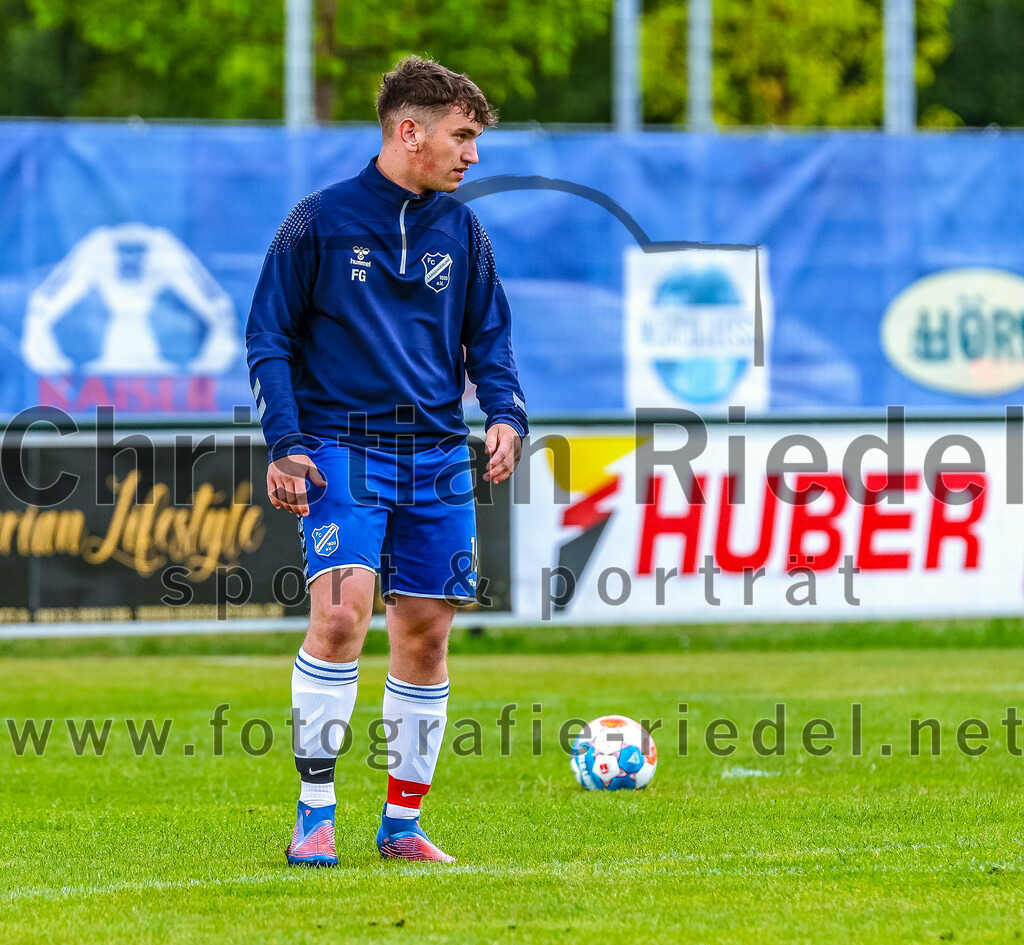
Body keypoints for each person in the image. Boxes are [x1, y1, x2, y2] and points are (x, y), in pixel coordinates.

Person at [245, 56, 528, 866]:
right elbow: (269, 337)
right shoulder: (318, 221)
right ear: (411, 131)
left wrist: (505, 412)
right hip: (341, 446)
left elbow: (492, 337)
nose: (472, 156)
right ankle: (314, 812)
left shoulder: (465, 230)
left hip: (437, 452)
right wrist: (288, 443)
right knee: (340, 616)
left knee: (427, 633)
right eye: (462, 136)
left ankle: (401, 825)